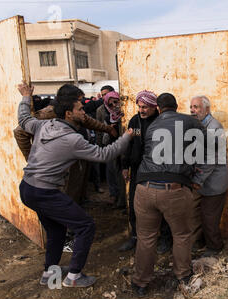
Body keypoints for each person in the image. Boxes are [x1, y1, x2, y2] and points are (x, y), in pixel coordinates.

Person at [17, 81, 133, 288]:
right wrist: (127, 137)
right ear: (69, 114)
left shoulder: (44, 125)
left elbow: (24, 119)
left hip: (27, 188)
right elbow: (104, 154)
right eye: (80, 109)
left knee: (56, 231)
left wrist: (26, 96)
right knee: (85, 226)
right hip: (45, 192)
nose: (84, 111)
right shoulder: (72, 140)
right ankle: (74, 276)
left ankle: (48, 274)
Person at [131, 93, 211, 297]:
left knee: (146, 237)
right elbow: (205, 153)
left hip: (144, 189)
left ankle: (140, 283)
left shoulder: (152, 125)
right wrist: (196, 181)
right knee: (182, 235)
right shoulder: (191, 122)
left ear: (158, 107)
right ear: (177, 106)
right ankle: (183, 276)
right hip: (174, 190)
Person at [119, 90, 172, 253]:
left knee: (161, 206)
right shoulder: (135, 121)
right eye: (139, 106)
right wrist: (124, 165)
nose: (141, 110)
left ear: (154, 107)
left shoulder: (161, 121)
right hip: (137, 171)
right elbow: (128, 144)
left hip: (157, 171)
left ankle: (164, 239)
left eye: (145, 107)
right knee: (135, 205)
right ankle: (135, 236)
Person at [189, 95, 228, 257]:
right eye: (191, 107)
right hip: (204, 181)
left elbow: (210, 159)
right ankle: (201, 242)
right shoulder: (199, 126)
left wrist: (197, 180)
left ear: (207, 109)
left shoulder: (213, 127)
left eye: (196, 107)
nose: (192, 110)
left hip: (214, 181)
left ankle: (215, 247)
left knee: (209, 217)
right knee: (198, 214)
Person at [96, 90, 127, 209]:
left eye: (116, 102)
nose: (114, 106)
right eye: (111, 104)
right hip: (110, 145)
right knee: (111, 171)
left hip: (123, 145)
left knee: (121, 172)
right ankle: (114, 195)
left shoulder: (125, 112)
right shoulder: (101, 111)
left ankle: (123, 199)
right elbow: (99, 129)